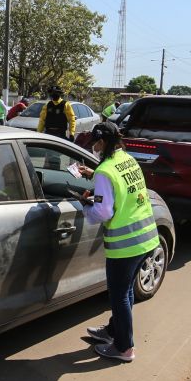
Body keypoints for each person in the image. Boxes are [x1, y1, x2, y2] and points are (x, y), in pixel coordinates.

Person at [77, 122, 159, 362]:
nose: (94, 146)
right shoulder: (126, 159)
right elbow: (120, 183)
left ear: (102, 142)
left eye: (95, 142)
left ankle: (124, 348)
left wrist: (85, 206)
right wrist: (95, 175)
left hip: (126, 245)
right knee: (126, 292)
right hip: (146, 238)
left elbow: (103, 213)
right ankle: (114, 331)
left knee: (119, 295)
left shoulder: (105, 171)